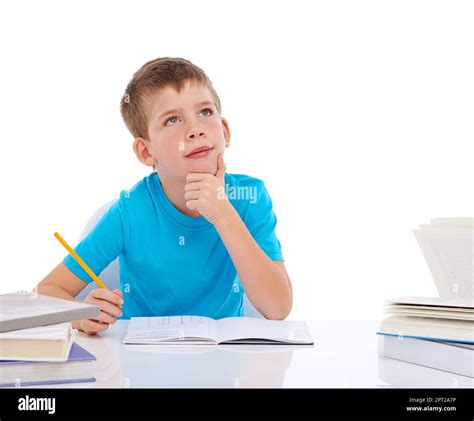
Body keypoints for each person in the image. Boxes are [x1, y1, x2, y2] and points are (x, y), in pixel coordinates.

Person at [36, 57, 293, 335]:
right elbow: (45, 292)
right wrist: (79, 315)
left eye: (205, 112)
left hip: (224, 364)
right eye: (173, 120)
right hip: (141, 364)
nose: (195, 129)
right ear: (146, 152)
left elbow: (278, 308)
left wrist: (223, 215)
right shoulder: (129, 212)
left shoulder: (249, 197)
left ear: (225, 130)